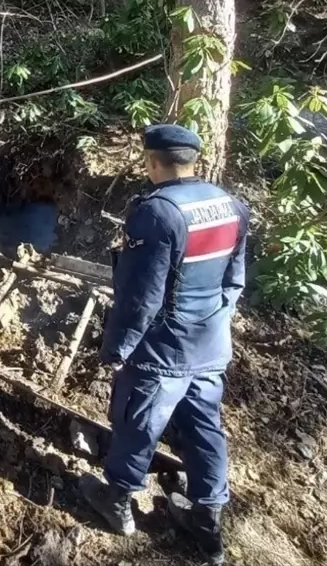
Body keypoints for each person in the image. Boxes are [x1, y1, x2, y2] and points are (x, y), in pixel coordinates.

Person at [81, 124, 249, 566]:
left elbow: (142, 296)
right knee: (204, 426)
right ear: (192, 160)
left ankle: (118, 500)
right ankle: (207, 518)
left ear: (152, 161)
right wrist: (214, 323)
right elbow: (235, 281)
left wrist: (118, 347)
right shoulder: (230, 204)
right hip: (210, 343)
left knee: (138, 420)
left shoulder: (157, 213)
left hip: (163, 348)